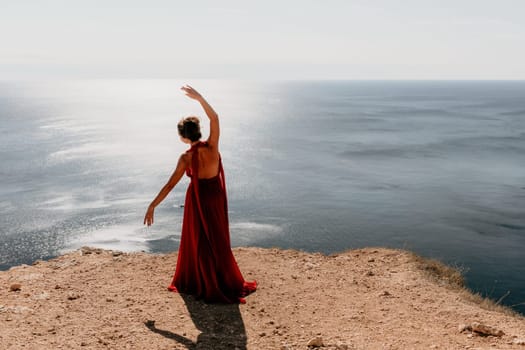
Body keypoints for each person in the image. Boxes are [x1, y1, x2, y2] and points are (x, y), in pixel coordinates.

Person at [144, 85, 257, 304]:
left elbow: (169, 186)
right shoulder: (212, 146)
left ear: (183, 138)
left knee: (201, 241)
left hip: (197, 199)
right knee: (218, 238)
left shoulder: (186, 158)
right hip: (216, 194)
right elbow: (215, 118)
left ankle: (203, 282)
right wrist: (200, 98)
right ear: (197, 132)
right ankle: (223, 279)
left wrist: (152, 205)